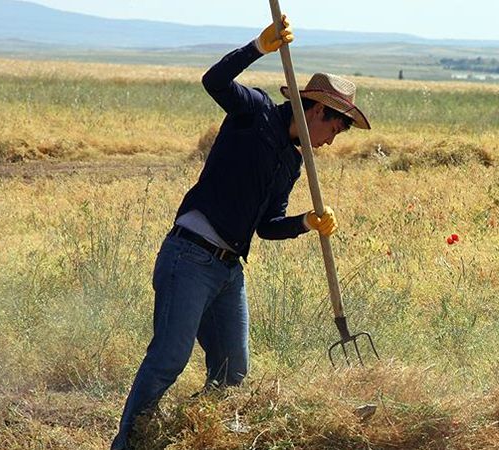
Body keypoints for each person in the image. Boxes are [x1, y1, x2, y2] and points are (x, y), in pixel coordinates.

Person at [110, 15, 370, 449]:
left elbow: (267, 227)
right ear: (318, 111)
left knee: (232, 374)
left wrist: (305, 223)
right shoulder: (256, 112)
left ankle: (186, 437)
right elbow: (213, 81)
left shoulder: (292, 161)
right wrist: (257, 48)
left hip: (229, 271)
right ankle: (128, 444)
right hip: (189, 256)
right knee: (169, 360)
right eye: (335, 129)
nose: (330, 142)